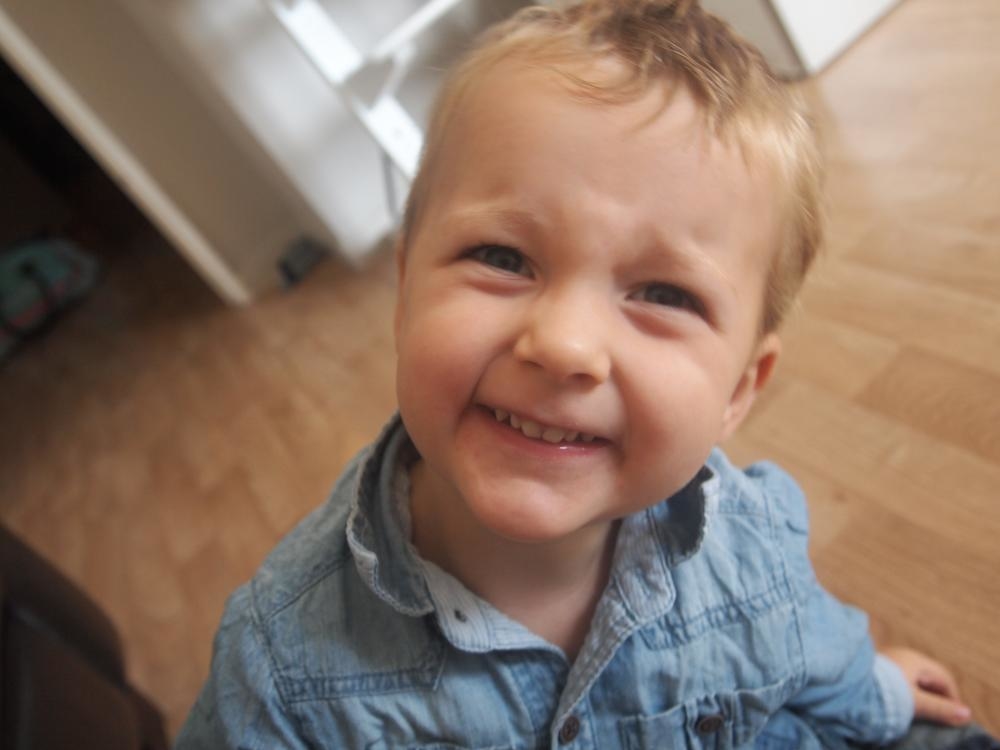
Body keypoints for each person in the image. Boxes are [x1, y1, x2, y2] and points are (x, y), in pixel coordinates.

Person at [176, 1, 997, 747]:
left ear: (740, 392)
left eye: (664, 294)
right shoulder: (282, 678)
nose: (565, 344)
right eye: (502, 257)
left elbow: (807, 643)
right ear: (405, 292)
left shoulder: (753, 544)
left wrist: (878, 692)